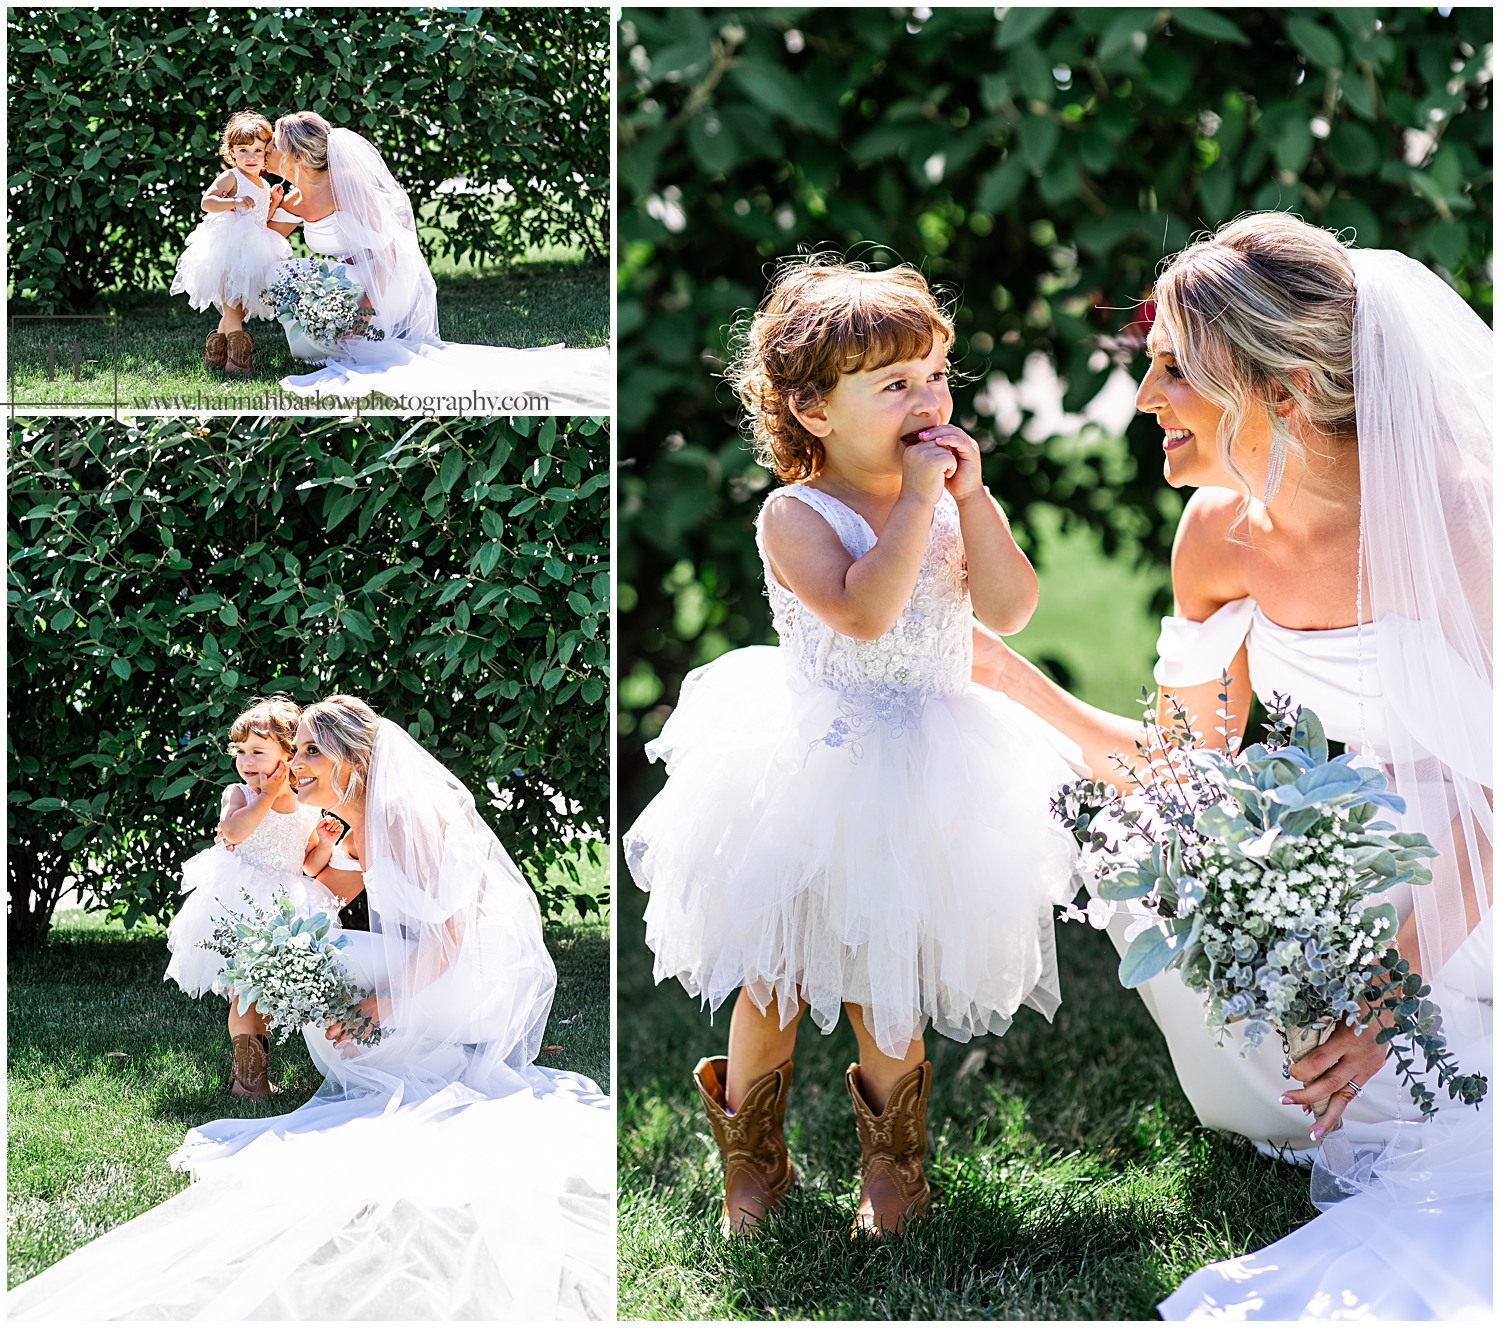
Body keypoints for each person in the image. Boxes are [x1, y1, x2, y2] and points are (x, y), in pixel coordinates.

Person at [973, 213, 1491, 1319]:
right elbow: (1179, 773)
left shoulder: (1461, 519)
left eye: (1177, 372)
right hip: (1348, 849)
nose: (1145, 398)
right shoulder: (1218, 532)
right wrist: (1001, 675)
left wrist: (1390, 993)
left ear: (1286, 390)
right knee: (1173, 859)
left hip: (1477, 864)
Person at [623, 256, 1081, 1238]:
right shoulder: (797, 514)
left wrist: (975, 501)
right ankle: (753, 1162)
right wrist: (921, 502)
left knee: (890, 979)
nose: (927, 400)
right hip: (814, 767)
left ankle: (894, 1164)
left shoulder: (950, 500)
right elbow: (866, 612)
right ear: (815, 410)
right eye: (894, 384)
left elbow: (1010, 605)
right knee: (773, 977)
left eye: (934, 376)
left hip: (931, 768)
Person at [10, 695, 613, 1319]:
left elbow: (453, 935)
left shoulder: (405, 816)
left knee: (339, 965)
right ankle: (349, 1048)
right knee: (326, 956)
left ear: (350, 757)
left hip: (470, 974)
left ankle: (410, 1044)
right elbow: (341, 886)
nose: (292, 765)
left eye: (307, 752)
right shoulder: (358, 815)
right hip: (435, 960)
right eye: (293, 751)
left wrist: (380, 1004)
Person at [263, 111, 612, 412]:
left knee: (301, 275)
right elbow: (267, 235)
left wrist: (366, 309)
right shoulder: (292, 196)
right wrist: (265, 205)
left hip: (384, 280)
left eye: (275, 146)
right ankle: (322, 345)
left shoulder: (346, 185)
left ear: (295, 152)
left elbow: (388, 253)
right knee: (285, 274)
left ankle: (339, 338)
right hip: (350, 277)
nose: (270, 153)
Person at [163, 696, 342, 1100]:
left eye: (258, 752)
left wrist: (327, 845)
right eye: (240, 751)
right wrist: (266, 792)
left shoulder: (305, 807)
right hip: (240, 901)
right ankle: (249, 1081)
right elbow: (236, 831)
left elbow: (308, 864)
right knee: (245, 990)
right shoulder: (238, 794)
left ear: (288, 753)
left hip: (285, 904)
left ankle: (251, 1073)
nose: (246, 760)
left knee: (263, 992)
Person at [169, 111, 294, 376]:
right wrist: (233, 202)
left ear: (266, 154)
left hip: (256, 249)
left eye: (258, 150)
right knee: (234, 302)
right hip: (231, 249)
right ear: (231, 152)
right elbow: (207, 202)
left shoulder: (262, 182)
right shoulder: (232, 177)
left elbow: (261, 219)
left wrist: (273, 202)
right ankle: (237, 359)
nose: (251, 157)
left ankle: (215, 352)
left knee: (242, 304)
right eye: (243, 150)